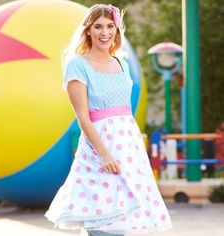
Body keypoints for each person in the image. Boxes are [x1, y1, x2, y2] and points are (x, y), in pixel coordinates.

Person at [45, 3, 172, 236]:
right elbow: (82, 116)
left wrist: (132, 147)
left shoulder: (121, 62)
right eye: (98, 26)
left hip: (128, 145)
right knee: (100, 218)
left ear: (116, 29)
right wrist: (103, 153)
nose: (105, 32)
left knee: (122, 217)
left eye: (110, 26)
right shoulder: (77, 65)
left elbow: (125, 112)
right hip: (99, 146)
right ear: (88, 31)